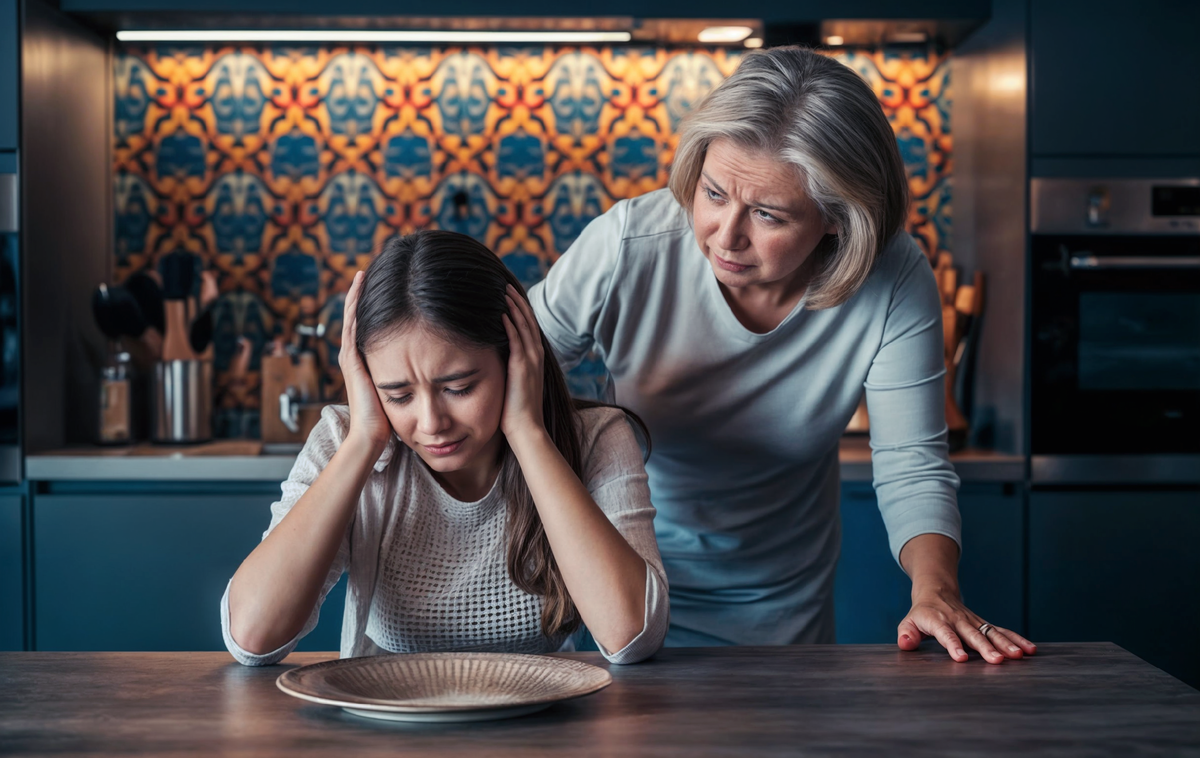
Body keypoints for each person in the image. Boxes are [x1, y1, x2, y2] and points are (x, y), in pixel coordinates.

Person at [529, 46, 1035, 664]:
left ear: (838, 219)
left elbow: (911, 462)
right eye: (713, 194)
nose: (725, 234)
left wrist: (937, 591)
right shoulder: (629, 245)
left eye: (767, 214)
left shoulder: (893, 277)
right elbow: (508, 375)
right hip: (621, 588)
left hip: (783, 605)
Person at [221, 230, 668, 666]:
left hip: (541, 730)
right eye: (398, 396)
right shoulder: (345, 440)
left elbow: (630, 636)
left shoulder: (596, 438)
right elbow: (253, 639)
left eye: (459, 387)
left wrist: (527, 432)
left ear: (515, 358)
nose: (432, 424)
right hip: (384, 729)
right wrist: (363, 441)